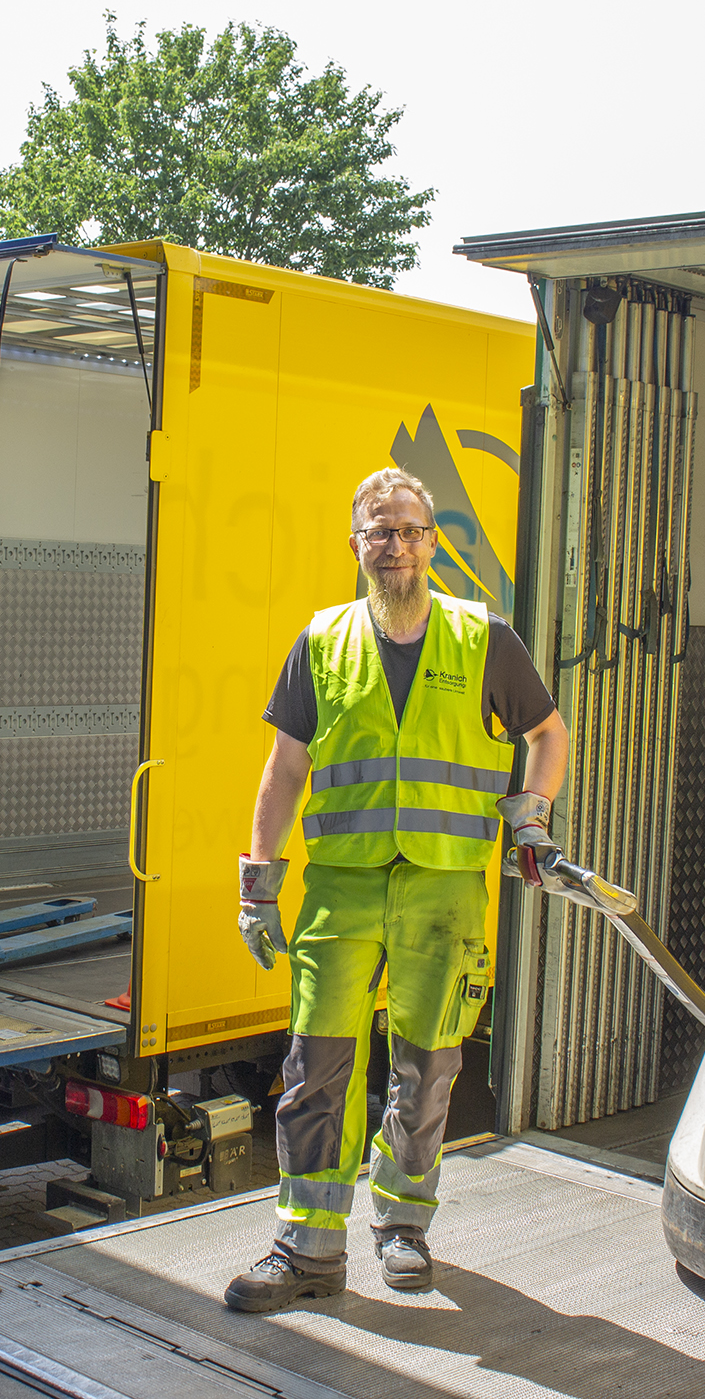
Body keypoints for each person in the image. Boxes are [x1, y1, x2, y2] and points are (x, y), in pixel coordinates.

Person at [224, 467, 570, 1312]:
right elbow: (285, 771)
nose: (397, 546)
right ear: (356, 545)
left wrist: (532, 818)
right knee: (317, 1068)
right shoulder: (324, 639)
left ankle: (404, 1226)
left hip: (445, 892)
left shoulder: (480, 634)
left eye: (411, 530)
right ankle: (307, 1247)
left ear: (434, 540)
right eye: (380, 532)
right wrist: (258, 884)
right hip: (341, 889)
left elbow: (547, 733)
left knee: (425, 1067)